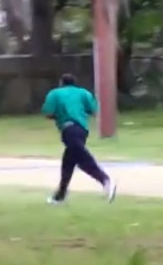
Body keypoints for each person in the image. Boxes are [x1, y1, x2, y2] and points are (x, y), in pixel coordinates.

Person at [41, 73, 117, 204]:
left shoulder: (55, 93)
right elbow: (94, 111)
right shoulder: (84, 93)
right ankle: (60, 195)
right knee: (69, 162)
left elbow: (47, 113)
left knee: (82, 157)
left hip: (68, 128)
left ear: (61, 83)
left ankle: (105, 180)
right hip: (82, 130)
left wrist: (59, 115)